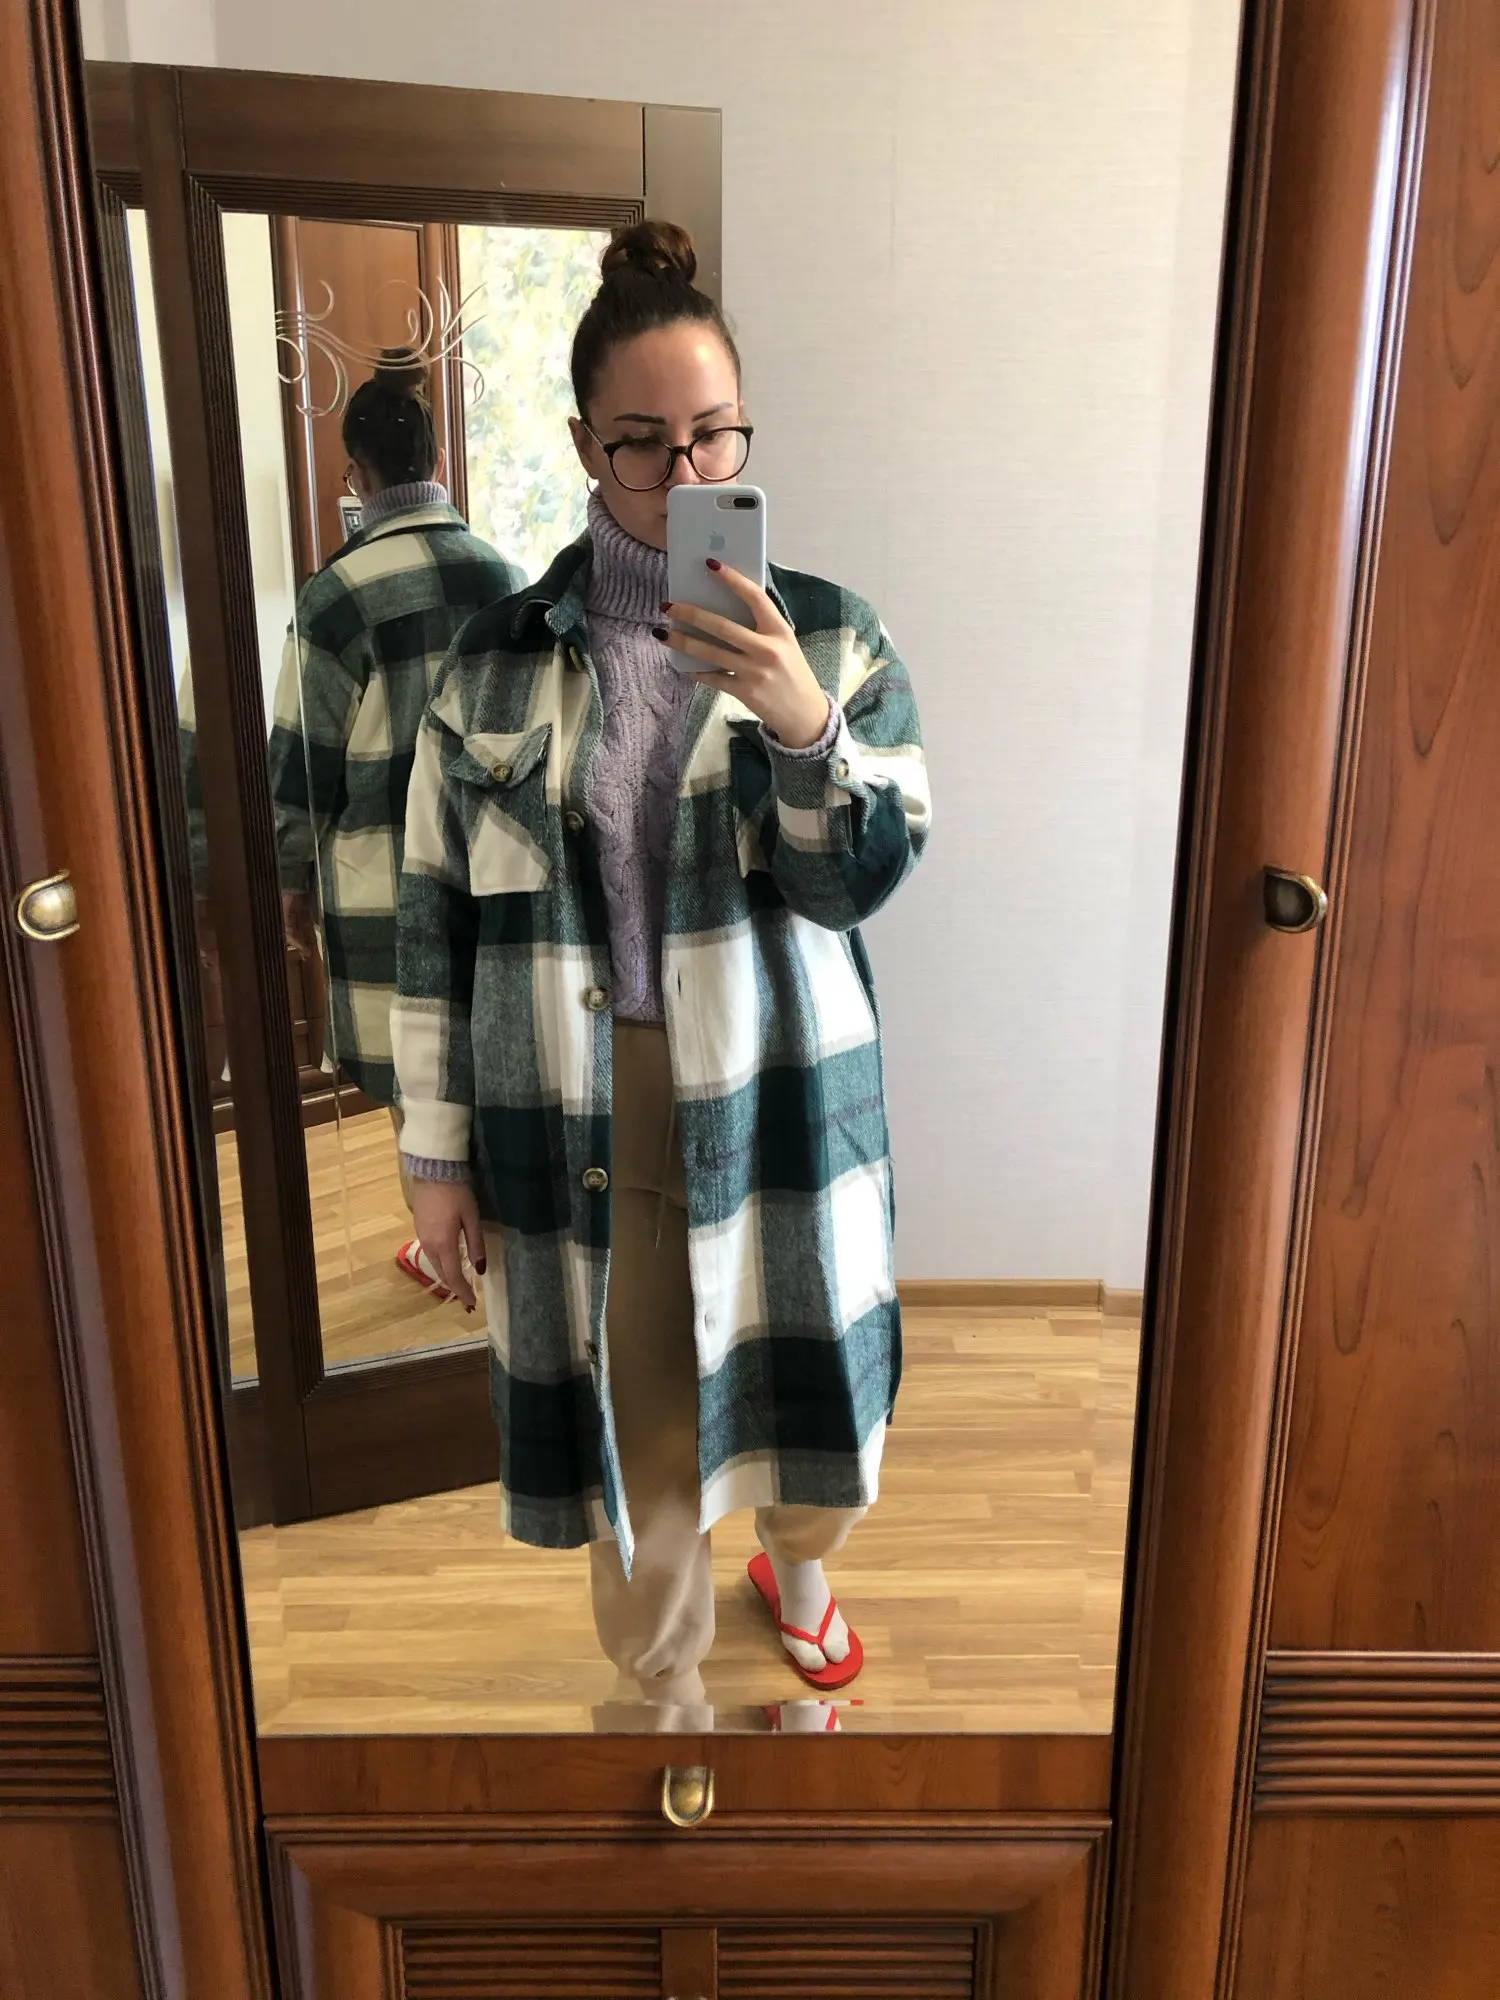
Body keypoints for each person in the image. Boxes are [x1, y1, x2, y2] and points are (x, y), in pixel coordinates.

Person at [391, 223, 930, 1705]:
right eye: (641, 443)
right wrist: (434, 1158)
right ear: (584, 444)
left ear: (745, 428)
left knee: (810, 1394)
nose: (684, 474)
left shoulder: (835, 636)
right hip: (578, 1101)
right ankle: (666, 1703)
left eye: (713, 436)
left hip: (781, 1083)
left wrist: (806, 725)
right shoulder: (492, 664)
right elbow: (432, 920)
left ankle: (801, 1564)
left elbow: (861, 881)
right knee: (642, 1436)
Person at [267, 349, 525, 1297]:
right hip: (496, 872)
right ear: (437, 457)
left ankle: (440, 1247)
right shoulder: (506, 573)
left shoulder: (335, 597)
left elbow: (300, 766)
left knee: (411, 1062)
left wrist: (286, 881)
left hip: (383, 891)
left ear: (356, 476)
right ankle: (499, 1248)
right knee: (487, 1053)